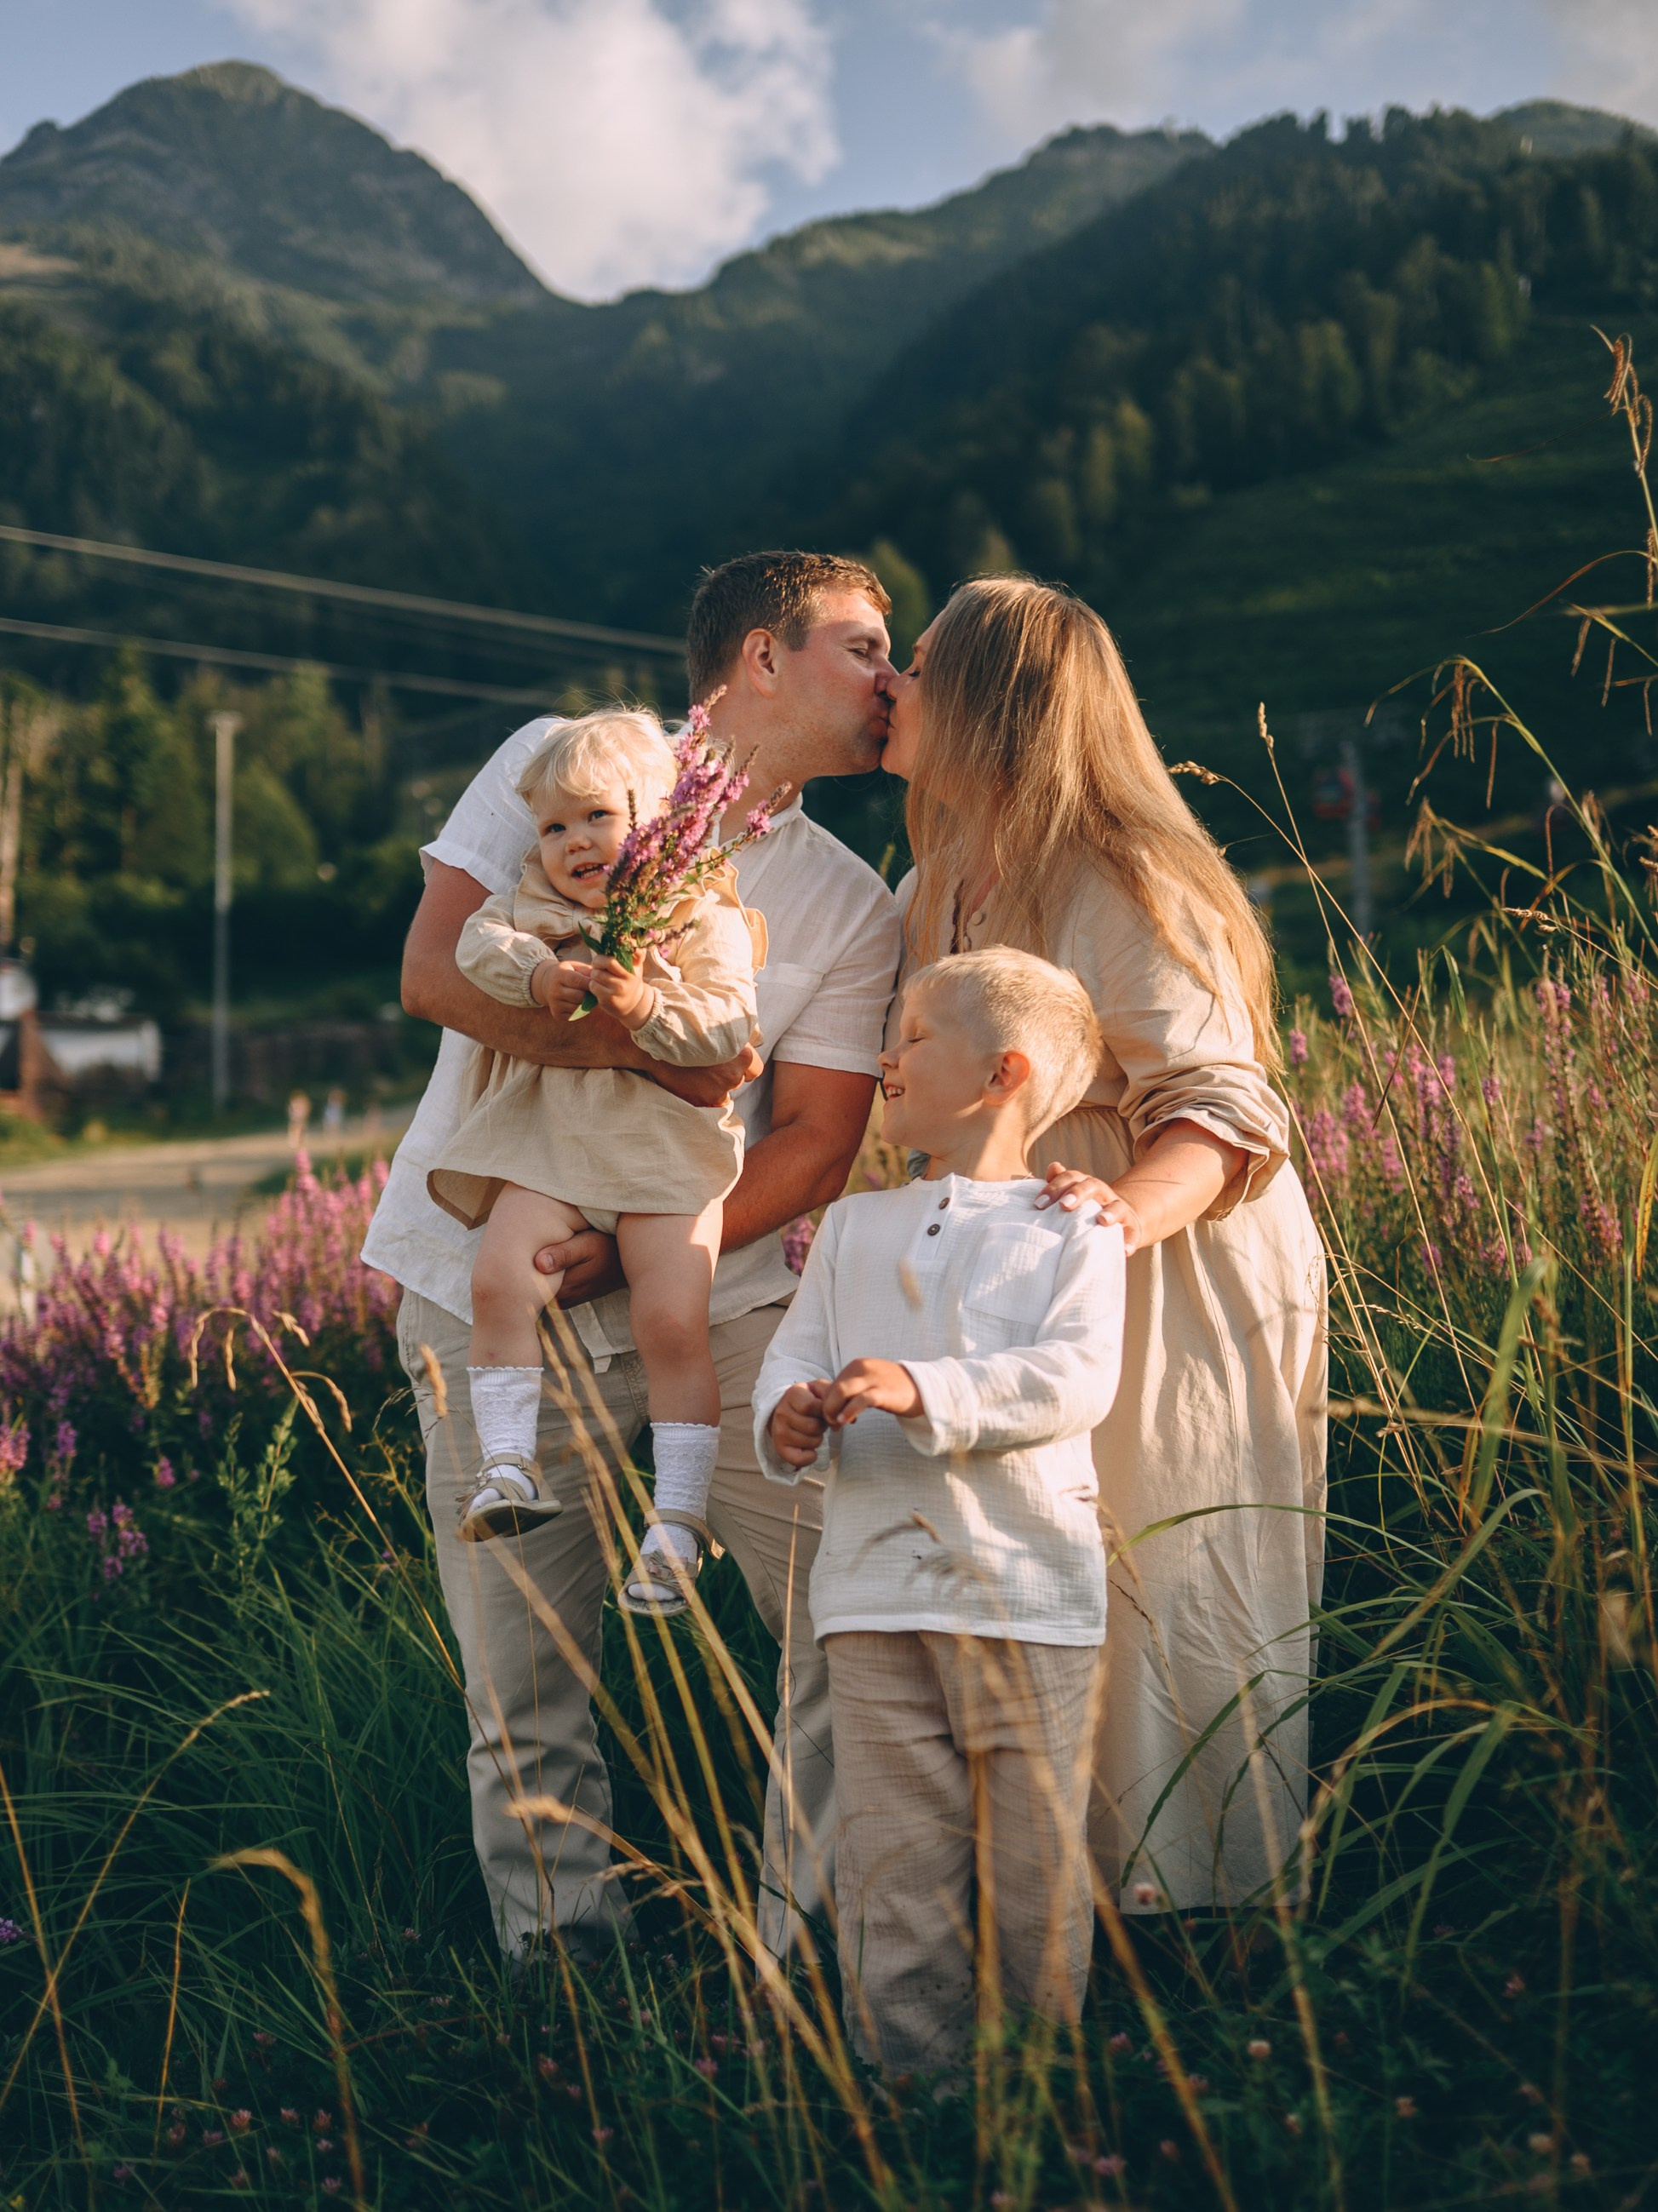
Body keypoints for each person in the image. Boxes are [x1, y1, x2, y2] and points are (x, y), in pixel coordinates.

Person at [364, 551, 903, 1963]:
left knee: (847, 1609)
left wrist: (630, 1243)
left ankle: (795, 1955)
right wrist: (654, 1061)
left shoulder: (853, 902)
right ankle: (567, 1998)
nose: (891, 681)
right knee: (523, 1680)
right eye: (862, 645)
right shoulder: (554, 765)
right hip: (488, 1282)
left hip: (718, 1309)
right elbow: (435, 973)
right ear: (761, 661)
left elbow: (817, 1134)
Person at [880, 577, 1327, 1913]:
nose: (893, 686)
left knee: (1161, 1561)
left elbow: (1223, 1098)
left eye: (917, 664)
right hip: (1020, 1272)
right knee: (1037, 1564)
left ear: (986, 700)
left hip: (1166, 1263)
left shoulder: (1121, 873)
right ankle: (1054, 1903)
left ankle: (1199, 1916)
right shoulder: (938, 875)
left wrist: (1125, 1212)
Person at [754, 947, 1126, 2073]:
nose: (884, 1056)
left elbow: (1076, 1379)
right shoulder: (855, 1226)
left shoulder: (1074, 1230)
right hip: (868, 1595)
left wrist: (927, 1388)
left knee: (1031, 1874)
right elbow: (794, 1354)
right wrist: (787, 1416)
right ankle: (910, 2093)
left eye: (913, 1036)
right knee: (894, 1867)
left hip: (1026, 1600)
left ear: (1001, 1071)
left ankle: (1035, 2094)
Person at [426, 708, 762, 1614]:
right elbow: (475, 945)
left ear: (659, 821)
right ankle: (507, 1462)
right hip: (558, 1144)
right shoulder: (533, 907)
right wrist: (541, 976)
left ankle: (678, 1526)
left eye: (597, 819)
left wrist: (648, 1005)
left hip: (666, 1156)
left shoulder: (704, 915)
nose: (574, 843)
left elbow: (729, 1027)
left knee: (670, 1325)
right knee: (500, 1277)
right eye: (553, 827)